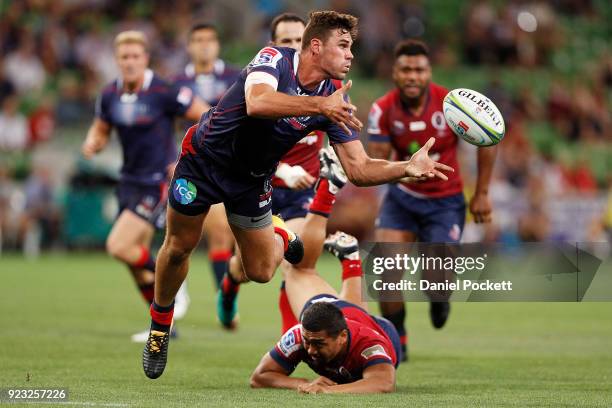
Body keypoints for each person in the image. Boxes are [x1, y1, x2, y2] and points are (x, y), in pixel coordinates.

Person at [142, 11, 452, 380]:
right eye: (344, 46)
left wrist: (404, 168)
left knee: (260, 271)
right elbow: (258, 102)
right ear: (316, 47)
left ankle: (281, 233)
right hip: (202, 164)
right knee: (178, 246)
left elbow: (358, 167)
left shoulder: (332, 101)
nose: (351, 55)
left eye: (351, 47)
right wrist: (321, 106)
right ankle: (160, 327)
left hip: (252, 181)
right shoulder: (274, 59)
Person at [367, 39, 496, 360]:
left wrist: (481, 193)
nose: (412, 76)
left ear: (429, 73)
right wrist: (407, 170)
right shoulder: (382, 109)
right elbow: (378, 161)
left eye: (419, 69)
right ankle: (399, 342)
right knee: (387, 271)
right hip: (402, 200)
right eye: (406, 69)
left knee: (436, 277)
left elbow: (490, 139)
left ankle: (440, 299)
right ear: (394, 73)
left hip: (446, 200)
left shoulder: (452, 105)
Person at [216, 13, 344, 332]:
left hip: (301, 193)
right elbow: (240, 145)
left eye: (298, 41)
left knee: (292, 265)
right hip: (256, 186)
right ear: (272, 46)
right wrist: (283, 170)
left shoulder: (330, 87)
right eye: (285, 41)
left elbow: (342, 137)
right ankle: (229, 287)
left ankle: (292, 339)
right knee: (249, 268)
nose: (292, 47)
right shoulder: (262, 83)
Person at [81, 31, 207, 341]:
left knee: (118, 246)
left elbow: (207, 117)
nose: (130, 62)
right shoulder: (109, 95)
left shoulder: (164, 91)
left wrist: (185, 156)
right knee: (135, 263)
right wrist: (93, 142)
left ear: (145, 59)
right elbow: (100, 129)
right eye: (125, 57)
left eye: (136, 56)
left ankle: (175, 277)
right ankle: (165, 327)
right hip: (128, 181)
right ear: (117, 60)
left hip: (156, 184)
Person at [250, 230, 400, 394]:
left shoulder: (369, 344)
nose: (311, 350)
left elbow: (384, 383)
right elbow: (259, 377)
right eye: (308, 342)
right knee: (295, 267)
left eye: (319, 343)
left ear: (342, 337)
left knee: (298, 270)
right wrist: (304, 383)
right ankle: (350, 259)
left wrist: (327, 391)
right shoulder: (300, 335)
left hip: (381, 329)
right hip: (339, 310)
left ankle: (350, 258)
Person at [173, 23, 240, 290]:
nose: (204, 45)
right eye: (198, 39)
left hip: (230, 164)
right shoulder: (176, 83)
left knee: (223, 234)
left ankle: (222, 296)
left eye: (209, 40)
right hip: (192, 165)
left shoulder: (237, 77)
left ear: (217, 45)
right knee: (187, 236)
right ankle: (210, 295)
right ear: (189, 46)